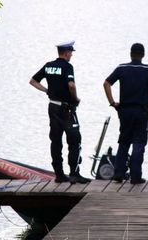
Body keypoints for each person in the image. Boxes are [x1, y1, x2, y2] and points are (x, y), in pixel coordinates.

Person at [29, 41, 91, 184]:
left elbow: (33, 81)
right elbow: (71, 85)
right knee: (74, 140)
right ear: (66, 53)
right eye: (71, 53)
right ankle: (74, 173)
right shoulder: (68, 67)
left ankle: (59, 175)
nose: (71, 56)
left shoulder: (48, 66)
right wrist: (75, 98)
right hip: (66, 109)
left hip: (53, 107)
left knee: (56, 141)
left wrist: (47, 91)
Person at [103, 43, 148, 184]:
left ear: (130, 53)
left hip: (124, 110)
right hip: (141, 111)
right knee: (139, 142)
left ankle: (118, 173)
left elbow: (106, 83)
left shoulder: (121, 68)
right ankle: (135, 176)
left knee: (124, 141)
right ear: (143, 55)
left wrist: (112, 102)